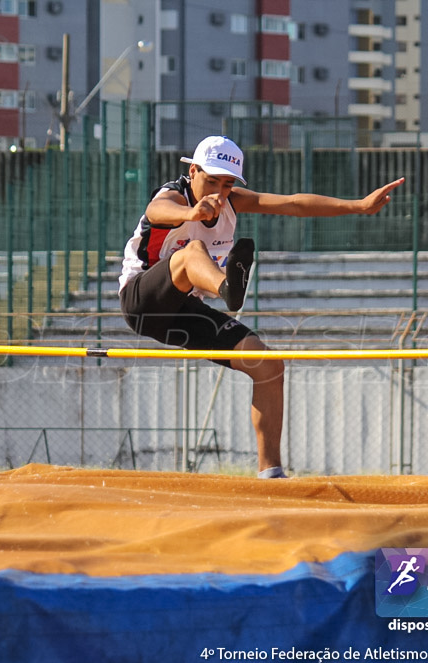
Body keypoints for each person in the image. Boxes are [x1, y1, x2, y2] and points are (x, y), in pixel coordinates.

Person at [118, 136, 405, 478]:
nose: (219, 192)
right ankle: (227, 286)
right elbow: (156, 209)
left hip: (183, 310)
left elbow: (293, 204)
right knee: (193, 250)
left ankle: (271, 474)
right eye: (211, 180)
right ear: (192, 171)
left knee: (269, 366)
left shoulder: (231, 201)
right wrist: (190, 212)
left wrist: (357, 206)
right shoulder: (175, 196)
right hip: (142, 300)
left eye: (227, 184)